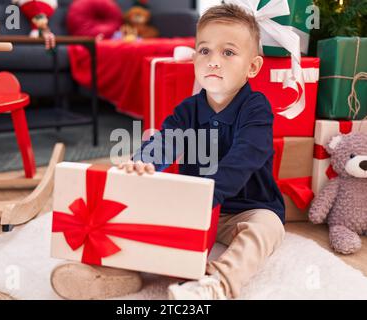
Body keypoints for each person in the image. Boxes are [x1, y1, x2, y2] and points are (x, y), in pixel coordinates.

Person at [51, 3, 285, 300]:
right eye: (204, 51)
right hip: (192, 203)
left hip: (246, 207)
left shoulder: (256, 108)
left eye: (228, 53)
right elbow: (165, 142)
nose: (213, 61)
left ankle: (218, 284)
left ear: (252, 66)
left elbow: (245, 155)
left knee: (266, 229)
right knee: (142, 213)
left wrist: (205, 195)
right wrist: (143, 166)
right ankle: (116, 275)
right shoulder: (188, 109)